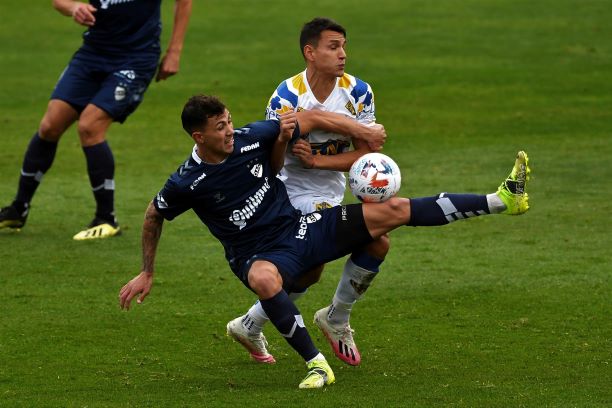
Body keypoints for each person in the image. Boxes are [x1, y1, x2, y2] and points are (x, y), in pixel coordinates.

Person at [119, 94, 531, 389]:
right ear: (198, 137)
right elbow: (154, 214)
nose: (230, 131)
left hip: (301, 227)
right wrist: (147, 270)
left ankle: (502, 199)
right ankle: (315, 364)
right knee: (266, 280)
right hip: (257, 253)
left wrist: (323, 132)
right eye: (220, 127)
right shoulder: (187, 182)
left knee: (391, 214)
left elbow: (304, 119)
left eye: (229, 121)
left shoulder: (249, 137)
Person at [228, 17, 386, 366]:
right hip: (287, 191)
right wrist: (287, 144)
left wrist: (318, 162)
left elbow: (367, 154)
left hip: (328, 189)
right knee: (318, 262)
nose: (342, 54)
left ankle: (258, 322)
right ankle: (321, 319)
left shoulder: (359, 92)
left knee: (372, 244)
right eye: (333, 47)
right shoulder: (287, 96)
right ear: (310, 53)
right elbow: (269, 159)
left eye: (344, 45)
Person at [0, 0, 192, 240]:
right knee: (50, 125)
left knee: (90, 126)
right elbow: (58, 2)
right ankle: (18, 209)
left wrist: (174, 51)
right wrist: (73, 8)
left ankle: (106, 218)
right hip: (93, 53)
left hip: (135, 57)